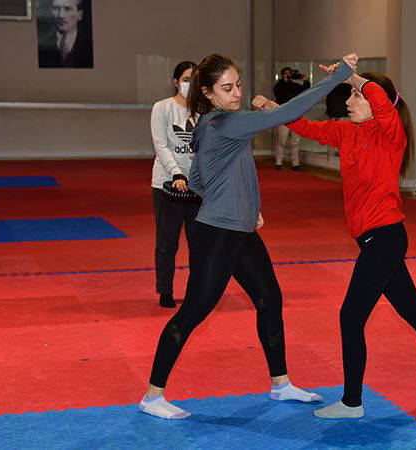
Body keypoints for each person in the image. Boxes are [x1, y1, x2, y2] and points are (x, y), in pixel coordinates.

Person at [138, 52, 358, 420]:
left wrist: (246, 205)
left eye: (238, 84)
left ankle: (281, 384)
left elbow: (198, 180)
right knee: (194, 310)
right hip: (217, 233)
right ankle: (152, 395)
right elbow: (288, 112)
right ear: (208, 93)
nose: (237, 93)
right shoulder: (226, 123)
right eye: (227, 88)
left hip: (238, 227)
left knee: (270, 298)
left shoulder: (209, 125)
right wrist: (340, 75)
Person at [254, 70, 416, 420]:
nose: (349, 102)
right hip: (373, 241)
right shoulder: (346, 132)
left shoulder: (390, 133)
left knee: (350, 317)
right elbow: (304, 126)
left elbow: (380, 100)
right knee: (413, 312)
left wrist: (352, 76)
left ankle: (352, 402)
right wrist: (273, 109)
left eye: (356, 96)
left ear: (378, 102)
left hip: (385, 237)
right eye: (350, 95)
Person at [150, 61, 198, 309]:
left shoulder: (204, 110)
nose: (190, 83)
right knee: (167, 242)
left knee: (199, 244)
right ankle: (165, 291)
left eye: (195, 79)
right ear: (176, 81)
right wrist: (177, 173)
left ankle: (197, 292)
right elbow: (161, 145)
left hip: (197, 188)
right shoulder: (162, 108)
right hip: (167, 185)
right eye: (187, 79)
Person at [272, 68, 310, 170]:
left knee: (295, 142)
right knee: (282, 140)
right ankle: (279, 162)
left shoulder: (293, 84)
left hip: (296, 116)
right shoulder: (279, 85)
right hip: (283, 116)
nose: (289, 75)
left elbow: (306, 91)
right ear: (282, 74)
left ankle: (295, 163)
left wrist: (305, 80)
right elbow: (280, 96)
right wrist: (285, 80)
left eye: (290, 73)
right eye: (287, 73)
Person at [37, 0, 93, 68]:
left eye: (67, 9)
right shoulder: (41, 46)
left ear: (80, 15)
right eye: (56, 8)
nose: (61, 15)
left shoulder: (90, 47)